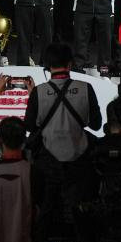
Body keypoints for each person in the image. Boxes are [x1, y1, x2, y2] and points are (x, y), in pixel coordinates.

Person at [24, 43, 101, 217]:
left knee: (47, 212)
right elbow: (96, 125)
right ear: (70, 64)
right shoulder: (86, 88)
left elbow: (29, 126)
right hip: (79, 163)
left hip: (48, 163)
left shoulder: (38, 92)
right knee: (79, 214)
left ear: (47, 66)